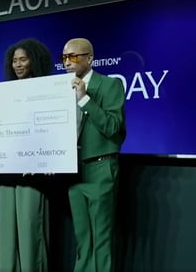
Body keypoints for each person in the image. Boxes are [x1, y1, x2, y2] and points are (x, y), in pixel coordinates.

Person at [61, 38, 126, 272]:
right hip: (74, 171)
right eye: (64, 57)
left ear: (90, 58)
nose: (68, 62)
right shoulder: (59, 88)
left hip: (101, 168)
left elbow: (112, 127)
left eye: (74, 56)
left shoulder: (110, 85)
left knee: (101, 239)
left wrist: (85, 99)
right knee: (83, 239)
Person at [0, 38, 54, 272]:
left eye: (23, 59)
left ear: (34, 60)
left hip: (33, 172)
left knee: (31, 232)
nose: (18, 65)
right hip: (6, 174)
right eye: (14, 61)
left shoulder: (48, 90)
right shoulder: (3, 92)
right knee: (8, 235)